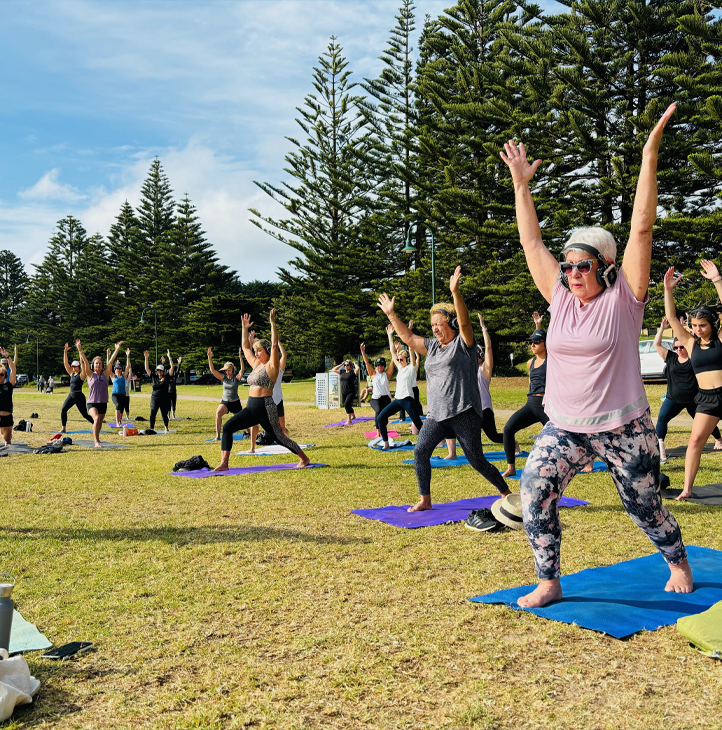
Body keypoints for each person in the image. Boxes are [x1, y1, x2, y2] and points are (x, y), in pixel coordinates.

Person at [501, 102, 691, 608]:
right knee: (535, 487)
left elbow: (643, 229)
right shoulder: (559, 296)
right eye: (567, 266)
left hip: (625, 425)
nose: (572, 273)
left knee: (644, 507)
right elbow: (530, 240)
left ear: (606, 267)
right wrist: (522, 186)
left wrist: (649, 155)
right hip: (566, 424)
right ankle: (549, 579)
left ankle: (677, 560)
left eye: (582, 265)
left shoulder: (625, 299)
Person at [378, 266, 512, 511]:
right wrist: (391, 315)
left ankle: (506, 492)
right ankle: (425, 499)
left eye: (439, 324)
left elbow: (464, 321)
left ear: (450, 323)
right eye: (432, 326)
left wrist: (455, 293)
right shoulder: (432, 347)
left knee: (476, 460)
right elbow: (407, 338)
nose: (435, 329)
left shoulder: (464, 344)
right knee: (420, 452)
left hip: (464, 413)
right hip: (437, 415)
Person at [214, 310, 310, 470]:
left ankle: (304, 459)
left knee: (279, 437)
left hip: (266, 407)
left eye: (259, 350)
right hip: (251, 407)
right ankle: (224, 463)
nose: (256, 353)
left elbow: (273, 345)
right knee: (228, 427)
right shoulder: (256, 364)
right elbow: (245, 348)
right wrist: (244, 329)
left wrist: (272, 323)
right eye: (256, 350)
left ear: (267, 352)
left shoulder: (272, 366)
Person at [664, 261, 722, 499]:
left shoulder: (720, 339)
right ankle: (687, 489)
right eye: (695, 325)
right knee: (695, 441)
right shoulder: (689, 342)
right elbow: (671, 317)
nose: (698, 329)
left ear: (712, 324)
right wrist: (668, 290)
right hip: (706, 399)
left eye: (703, 325)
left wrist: (717, 280)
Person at [653, 315, 722, 463]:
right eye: (676, 347)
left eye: (681, 347)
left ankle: (718, 439)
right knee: (661, 420)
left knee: (708, 423)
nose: (679, 349)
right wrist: (661, 329)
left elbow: (691, 340)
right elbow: (657, 345)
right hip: (673, 399)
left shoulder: (693, 357)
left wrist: (686, 327)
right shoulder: (670, 357)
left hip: (694, 399)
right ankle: (661, 451)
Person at [445, 312, 504, 459]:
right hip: (470, 409)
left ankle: (513, 443)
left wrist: (484, 329)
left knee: (493, 436)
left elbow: (489, 349)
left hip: (484, 409)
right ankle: (452, 453)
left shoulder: (483, 370)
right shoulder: (465, 370)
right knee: (453, 427)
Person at [499, 313, 549, 477]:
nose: (532, 344)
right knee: (508, 429)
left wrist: (539, 326)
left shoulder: (553, 359)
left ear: (545, 344)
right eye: (531, 342)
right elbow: (530, 383)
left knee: (557, 437)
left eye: (536, 342)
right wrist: (537, 329)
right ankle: (511, 467)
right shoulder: (530, 363)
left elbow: (547, 341)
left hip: (546, 405)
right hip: (530, 404)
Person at [373, 325, 425, 449]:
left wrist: (408, 333)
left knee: (419, 424)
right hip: (398, 400)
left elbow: (411, 351)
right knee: (380, 418)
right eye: (399, 360)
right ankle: (386, 443)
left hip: (408, 400)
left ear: (406, 359)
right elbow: (392, 352)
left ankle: (435, 440)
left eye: (401, 359)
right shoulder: (400, 368)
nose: (399, 361)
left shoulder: (411, 368)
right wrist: (390, 335)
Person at [80, 341, 123, 448]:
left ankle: (96, 435)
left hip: (103, 402)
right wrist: (80, 350)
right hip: (92, 403)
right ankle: (96, 441)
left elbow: (111, 360)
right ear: (93, 365)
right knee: (96, 419)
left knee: (99, 423)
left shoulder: (105, 374)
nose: (98, 365)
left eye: (100, 363)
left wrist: (117, 349)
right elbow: (85, 362)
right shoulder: (90, 374)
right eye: (96, 363)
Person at [208, 347, 244, 441]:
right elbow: (213, 370)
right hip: (225, 402)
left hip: (235, 402)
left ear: (232, 370)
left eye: (229, 370)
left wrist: (240, 357)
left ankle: (249, 432)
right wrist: (209, 358)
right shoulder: (223, 378)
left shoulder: (236, 378)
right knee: (218, 414)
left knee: (243, 420)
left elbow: (242, 370)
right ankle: (218, 436)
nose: (227, 372)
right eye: (226, 370)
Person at [360, 341, 395, 438]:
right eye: (378, 365)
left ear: (384, 366)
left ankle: (383, 428)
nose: (380, 367)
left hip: (386, 399)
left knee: (385, 417)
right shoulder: (373, 374)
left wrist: (396, 350)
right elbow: (366, 363)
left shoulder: (387, 375)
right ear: (376, 366)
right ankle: (378, 432)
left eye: (381, 365)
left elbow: (393, 361)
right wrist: (363, 352)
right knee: (378, 411)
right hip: (375, 399)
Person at [60, 341, 94, 433]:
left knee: (84, 415)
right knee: (63, 409)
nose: (73, 368)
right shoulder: (71, 374)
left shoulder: (82, 375)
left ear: (78, 367)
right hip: (71, 395)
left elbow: (83, 365)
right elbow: (65, 364)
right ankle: (63, 428)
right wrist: (65, 351)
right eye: (73, 366)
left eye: (75, 366)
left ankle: (96, 424)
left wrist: (80, 351)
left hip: (79, 396)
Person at [145, 349, 174, 433]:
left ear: (163, 371)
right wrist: (146, 358)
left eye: (160, 370)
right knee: (153, 413)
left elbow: (172, 367)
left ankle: (166, 428)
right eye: (158, 370)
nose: (159, 372)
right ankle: (151, 428)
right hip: (155, 398)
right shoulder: (154, 377)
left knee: (164, 414)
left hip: (164, 398)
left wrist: (169, 357)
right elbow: (147, 369)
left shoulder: (167, 377)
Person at [332, 359, 361, 425]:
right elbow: (334, 369)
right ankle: (353, 415)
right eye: (345, 365)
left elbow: (358, 368)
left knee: (346, 404)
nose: (346, 366)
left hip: (351, 392)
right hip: (344, 391)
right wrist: (341, 364)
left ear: (350, 366)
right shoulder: (342, 372)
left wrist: (354, 363)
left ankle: (349, 420)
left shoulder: (353, 372)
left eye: (347, 365)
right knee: (347, 404)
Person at [0, 346, 17, 446]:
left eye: (1, 374)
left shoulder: (9, 385)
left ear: (5, 375)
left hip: (6, 417)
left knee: (7, 441)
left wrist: (8, 357)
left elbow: (13, 369)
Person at [110, 351, 132, 427]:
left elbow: (127, 366)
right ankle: (117, 422)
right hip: (115, 395)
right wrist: (108, 355)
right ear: (115, 369)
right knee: (117, 405)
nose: (118, 370)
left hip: (123, 395)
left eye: (119, 369)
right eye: (116, 368)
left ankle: (119, 422)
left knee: (121, 408)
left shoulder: (124, 376)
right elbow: (108, 366)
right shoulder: (113, 376)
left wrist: (128, 356)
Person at [161, 354, 181, 419]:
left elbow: (177, 371)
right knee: (168, 404)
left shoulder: (174, 376)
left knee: (174, 403)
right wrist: (163, 363)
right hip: (168, 392)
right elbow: (162, 371)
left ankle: (174, 413)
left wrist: (179, 364)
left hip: (174, 392)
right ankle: (168, 414)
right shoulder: (167, 377)